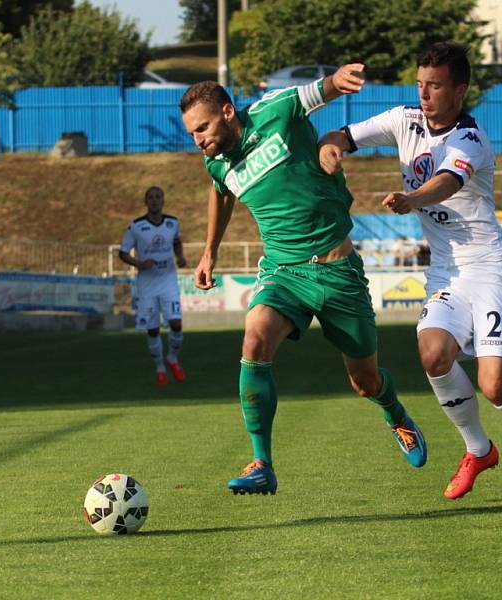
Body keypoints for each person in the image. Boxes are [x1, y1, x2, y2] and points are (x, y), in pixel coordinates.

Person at [318, 42, 502, 508]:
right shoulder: (403, 120)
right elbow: (341, 135)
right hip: (446, 272)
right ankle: (479, 450)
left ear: (460, 88)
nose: (425, 93)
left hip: (492, 269)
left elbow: (448, 182)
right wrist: (330, 149)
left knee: (495, 385)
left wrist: (413, 199)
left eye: (435, 85)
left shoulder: (470, 139)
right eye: (420, 84)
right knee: (433, 354)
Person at [179, 65, 427, 495]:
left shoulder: (275, 112)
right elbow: (220, 192)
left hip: (338, 270)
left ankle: (395, 413)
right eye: (192, 134)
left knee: (364, 381)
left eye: (202, 128)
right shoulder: (216, 162)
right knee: (254, 339)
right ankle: (262, 463)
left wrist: (339, 79)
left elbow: (317, 93)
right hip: (284, 271)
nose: (198, 139)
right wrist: (209, 250)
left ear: (227, 111)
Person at [119, 186, 187, 386]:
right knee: (153, 328)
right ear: (146, 201)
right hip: (147, 283)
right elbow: (122, 253)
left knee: (176, 323)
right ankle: (160, 368)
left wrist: (180, 256)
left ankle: (173, 359)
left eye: (158, 197)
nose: (155, 200)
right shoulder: (136, 227)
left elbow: (177, 241)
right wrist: (139, 264)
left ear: (163, 200)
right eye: (151, 197)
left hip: (168, 280)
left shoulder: (172, 223)